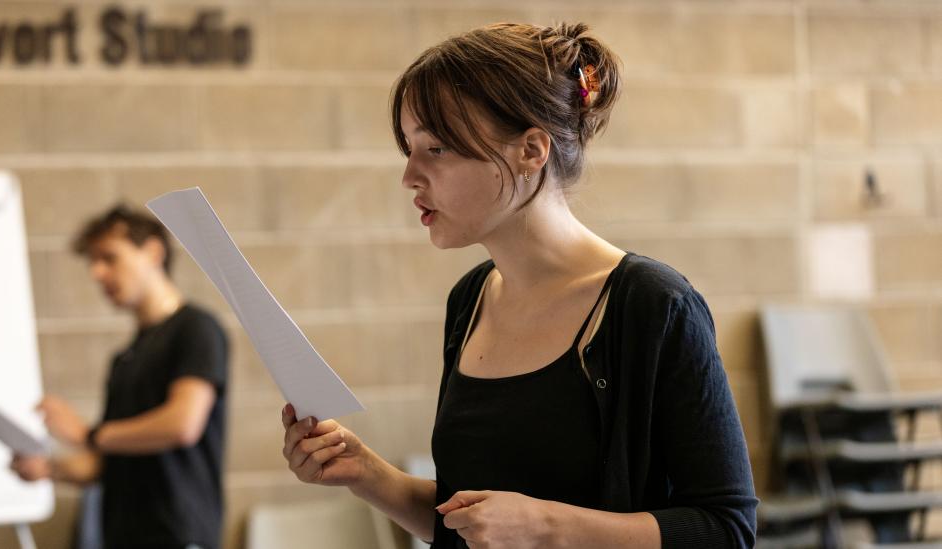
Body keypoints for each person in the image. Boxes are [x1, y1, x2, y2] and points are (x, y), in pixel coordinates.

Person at [281, 22, 757, 548]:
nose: (410, 176)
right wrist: (366, 474)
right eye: (409, 150)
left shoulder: (653, 304)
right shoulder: (471, 298)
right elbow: (473, 527)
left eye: (436, 148)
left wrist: (548, 527)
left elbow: (727, 530)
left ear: (531, 150)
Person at [12, 205, 229, 549]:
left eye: (109, 258)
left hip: (177, 535)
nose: (97, 273)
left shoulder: (196, 328)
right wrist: (48, 469)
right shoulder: (124, 359)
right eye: (93, 263)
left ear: (154, 252)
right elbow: (108, 464)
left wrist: (87, 433)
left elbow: (183, 424)